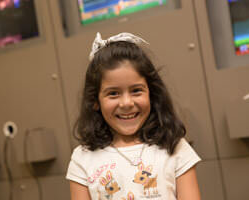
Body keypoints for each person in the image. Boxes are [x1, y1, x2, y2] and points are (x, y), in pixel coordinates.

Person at [66, 32, 201, 200]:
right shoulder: (82, 159)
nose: (126, 103)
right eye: (113, 93)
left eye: (136, 90)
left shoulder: (174, 146)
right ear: (95, 101)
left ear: (151, 93)